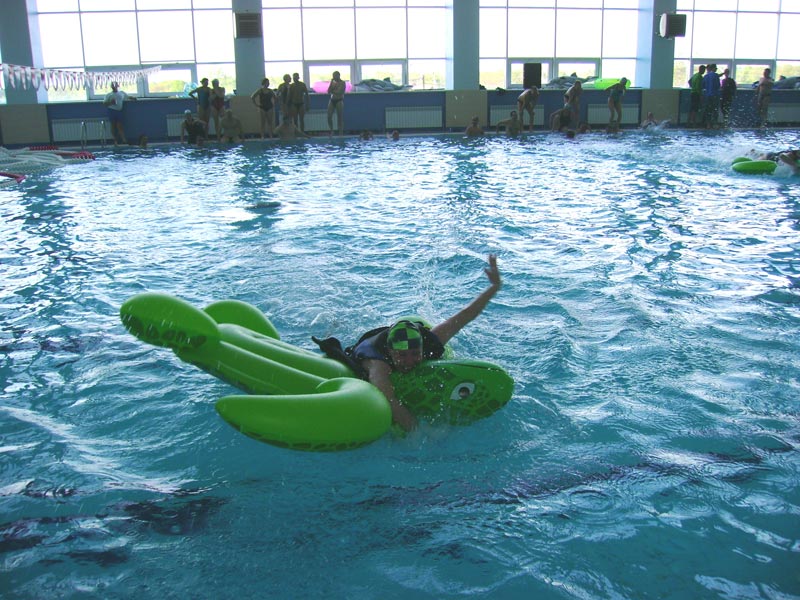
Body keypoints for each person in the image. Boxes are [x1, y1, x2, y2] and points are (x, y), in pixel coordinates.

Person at [348, 255, 501, 431]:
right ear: (390, 352)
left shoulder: (430, 341)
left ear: (422, 348)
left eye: (415, 354)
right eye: (402, 355)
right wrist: (418, 431)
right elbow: (390, 401)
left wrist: (494, 287)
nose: (409, 361)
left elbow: (465, 315)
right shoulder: (378, 365)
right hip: (369, 345)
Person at [103, 81, 133, 146]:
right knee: (113, 125)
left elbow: (127, 97)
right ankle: (115, 140)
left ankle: (124, 140)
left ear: (118, 85)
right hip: (111, 111)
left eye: (115, 85)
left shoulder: (121, 93)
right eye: (112, 85)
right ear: (111, 86)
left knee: (120, 126)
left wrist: (133, 98)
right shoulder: (109, 95)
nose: (114, 86)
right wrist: (111, 103)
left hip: (119, 111)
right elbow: (104, 103)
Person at [701, 64, 721, 128]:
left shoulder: (706, 76)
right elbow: (718, 86)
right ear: (713, 68)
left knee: (708, 110)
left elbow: (703, 86)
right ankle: (715, 124)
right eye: (716, 68)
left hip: (707, 95)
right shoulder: (716, 76)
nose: (716, 69)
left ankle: (708, 124)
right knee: (715, 110)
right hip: (715, 95)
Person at [327, 71, 346, 136]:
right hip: (332, 100)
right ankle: (331, 131)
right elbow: (328, 91)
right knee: (329, 116)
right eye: (333, 76)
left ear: (338, 75)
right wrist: (331, 84)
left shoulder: (342, 83)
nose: (333, 77)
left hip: (339, 101)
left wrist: (332, 90)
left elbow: (340, 92)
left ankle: (340, 132)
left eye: (335, 76)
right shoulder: (333, 82)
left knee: (340, 117)